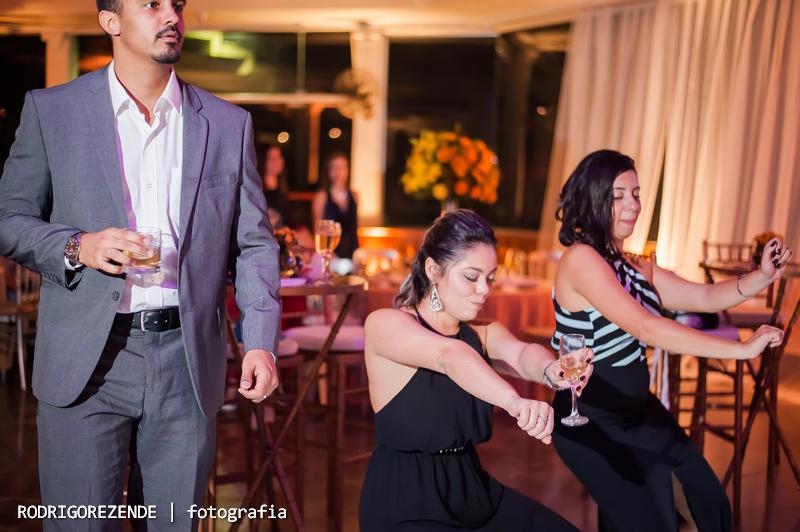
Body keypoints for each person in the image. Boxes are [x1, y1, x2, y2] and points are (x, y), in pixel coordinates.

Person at [0, 0, 281, 529]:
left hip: (187, 362)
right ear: (111, 22)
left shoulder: (227, 124)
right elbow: (8, 218)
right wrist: (77, 246)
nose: (171, 14)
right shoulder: (51, 111)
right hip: (87, 362)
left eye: (176, 3)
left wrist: (261, 340)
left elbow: (256, 244)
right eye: (151, 4)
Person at [550, 149, 789, 532]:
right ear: (593, 199)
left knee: (705, 498)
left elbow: (705, 297)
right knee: (651, 514)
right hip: (590, 417)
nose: (634, 205)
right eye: (618, 196)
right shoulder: (580, 259)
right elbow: (648, 329)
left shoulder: (630, 264)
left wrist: (760, 276)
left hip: (637, 412)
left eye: (637, 194)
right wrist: (740, 350)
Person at [359, 209, 591, 531]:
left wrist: (555, 371)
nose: (484, 289)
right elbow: (447, 355)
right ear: (433, 270)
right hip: (406, 501)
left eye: (490, 278)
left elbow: (523, 354)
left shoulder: (482, 332)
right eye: (471, 277)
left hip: (472, 490)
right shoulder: (386, 324)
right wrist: (515, 402)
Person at [312, 150, 359, 259]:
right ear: (328, 171)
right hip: (330, 256)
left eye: (342, 168)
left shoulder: (354, 196)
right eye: (334, 168)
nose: (338, 172)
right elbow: (318, 230)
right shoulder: (321, 197)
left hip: (351, 255)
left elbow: (354, 229)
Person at [261, 143, 289, 228]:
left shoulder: (282, 188)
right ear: (263, 161)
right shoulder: (257, 189)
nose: (277, 161)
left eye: (279, 157)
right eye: (271, 158)